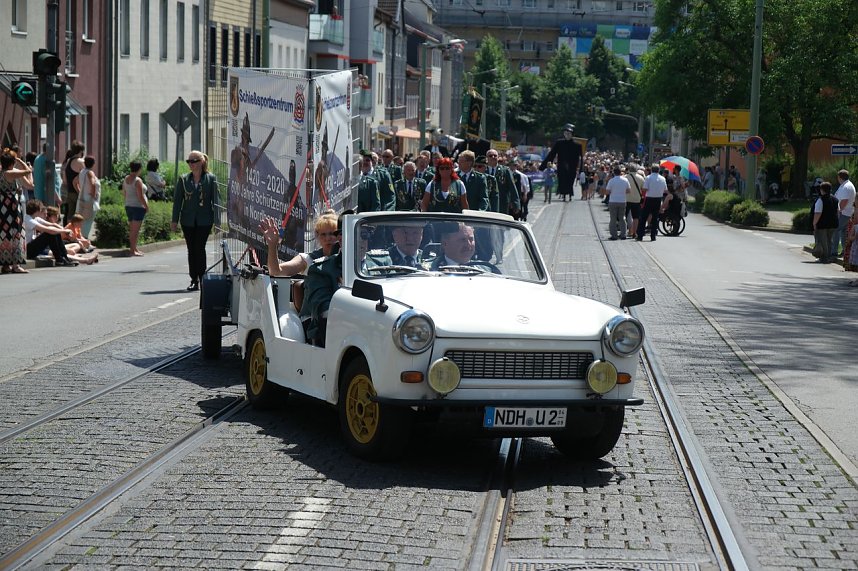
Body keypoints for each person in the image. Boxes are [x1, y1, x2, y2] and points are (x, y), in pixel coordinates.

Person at [260, 210, 341, 346]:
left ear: (340, 235)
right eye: (323, 234)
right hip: (314, 318)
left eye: (332, 233)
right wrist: (272, 245)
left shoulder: (349, 258)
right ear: (317, 236)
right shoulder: (308, 259)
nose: (328, 238)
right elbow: (276, 271)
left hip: (342, 315)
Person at [171, 150, 218, 291]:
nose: (191, 164)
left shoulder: (210, 179)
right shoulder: (184, 179)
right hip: (188, 220)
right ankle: (194, 279)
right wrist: (174, 220)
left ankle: (202, 278)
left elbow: (216, 201)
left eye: (194, 161)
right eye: (189, 161)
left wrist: (217, 221)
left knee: (199, 248)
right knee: (191, 249)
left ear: (201, 162)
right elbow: (177, 201)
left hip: (205, 220)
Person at [0, 152, 31, 274]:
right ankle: (16, 265)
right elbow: (28, 171)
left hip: (3, 207)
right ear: (11, 163)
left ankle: (6, 264)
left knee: (4, 234)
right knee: (16, 233)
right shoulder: (10, 173)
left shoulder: (2, 173)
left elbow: (29, 183)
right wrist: (21, 161)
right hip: (12, 208)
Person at [22, 200, 78, 267]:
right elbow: (48, 230)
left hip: (30, 247)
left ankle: (64, 257)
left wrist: (65, 230)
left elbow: (53, 225)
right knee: (49, 234)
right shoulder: (28, 220)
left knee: (56, 232)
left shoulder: (34, 218)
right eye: (40, 209)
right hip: (27, 251)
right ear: (37, 210)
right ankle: (59, 259)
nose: (41, 211)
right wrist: (64, 231)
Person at [540, 123, 582, 201]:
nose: (567, 135)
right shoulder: (559, 143)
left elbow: (581, 158)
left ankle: (569, 194)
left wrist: (580, 169)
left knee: (570, 181)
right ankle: (563, 194)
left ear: (572, 134)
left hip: (572, 167)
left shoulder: (577, 145)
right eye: (565, 133)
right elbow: (552, 154)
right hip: (562, 166)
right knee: (562, 180)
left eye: (569, 133)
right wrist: (543, 165)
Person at [123, 160, 149, 257]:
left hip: (128, 205)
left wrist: (127, 201)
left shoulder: (126, 178)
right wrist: (146, 206)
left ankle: (134, 248)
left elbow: (124, 192)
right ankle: (132, 250)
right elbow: (140, 196)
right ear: (139, 169)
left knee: (132, 229)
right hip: (138, 207)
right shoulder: (138, 180)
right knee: (135, 230)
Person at [637, 164, 668, 242]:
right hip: (658, 199)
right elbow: (665, 190)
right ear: (658, 170)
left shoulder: (648, 178)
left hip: (649, 199)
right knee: (655, 218)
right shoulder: (663, 178)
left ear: (651, 170)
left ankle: (640, 235)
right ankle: (653, 236)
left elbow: (645, 189)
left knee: (644, 218)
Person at [812, 182, 839, 263]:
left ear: (822, 190)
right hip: (833, 223)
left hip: (822, 224)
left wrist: (814, 223)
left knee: (823, 241)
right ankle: (829, 256)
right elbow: (838, 211)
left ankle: (824, 258)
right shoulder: (835, 199)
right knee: (829, 241)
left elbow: (818, 213)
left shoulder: (820, 200)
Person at [832, 170, 855, 259]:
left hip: (844, 213)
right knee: (843, 232)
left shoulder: (846, 186)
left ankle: (834, 251)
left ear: (840, 177)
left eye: (838, 177)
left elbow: (844, 200)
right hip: (846, 212)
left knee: (835, 229)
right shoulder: (845, 185)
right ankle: (845, 251)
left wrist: (838, 211)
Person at [76, 156, 101, 240]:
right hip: (89, 201)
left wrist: (79, 191)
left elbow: (75, 182)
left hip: (82, 199)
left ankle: (80, 237)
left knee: (81, 220)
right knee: (88, 220)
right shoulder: (90, 173)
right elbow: (93, 184)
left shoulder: (82, 172)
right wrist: (93, 195)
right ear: (93, 164)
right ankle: (84, 239)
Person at [61, 141, 85, 224]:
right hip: (78, 191)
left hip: (69, 192)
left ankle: (69, 230)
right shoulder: (81, 162)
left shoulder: (68, 161)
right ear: (81, 151)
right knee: (79, 215)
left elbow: (65, 179)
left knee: (70, 215)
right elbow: (85, 177)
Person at [606, 166, 630, 240]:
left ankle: (614, 235)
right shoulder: (625, 180)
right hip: (622, 201)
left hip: (613, 201)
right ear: (620, 172)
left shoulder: (611, 181)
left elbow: (607, 191)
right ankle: (623, 234)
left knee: (613, 219)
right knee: (622, 218)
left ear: (614, 172)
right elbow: (628, 190)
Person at [624, 165, 645, 239]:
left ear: (629, 169)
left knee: (624, 216)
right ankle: (634, 232)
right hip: (636, 200)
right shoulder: (641, 178)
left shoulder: (625, 177)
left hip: (626, 199)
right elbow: (643, 189)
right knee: (636, 217)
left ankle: (624, 231)